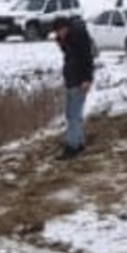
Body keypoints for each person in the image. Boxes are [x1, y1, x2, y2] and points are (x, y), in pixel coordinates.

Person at [52, 16, 94, 160]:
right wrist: (61, 43)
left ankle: (72, 147)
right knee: (73, 114)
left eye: (59, 32)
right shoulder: (69, 40)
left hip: (79, 82)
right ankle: (79, 142)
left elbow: (87, 59)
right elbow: (70, 57)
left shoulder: (79, 39)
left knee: (73, 115)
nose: (58, 35)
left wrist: (87, 79)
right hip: (72, 81)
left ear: (65, 28)